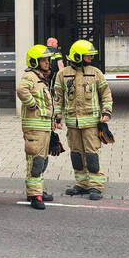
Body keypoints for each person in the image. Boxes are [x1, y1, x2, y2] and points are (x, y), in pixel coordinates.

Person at [53, 39, 113, 201]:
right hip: (72, 124)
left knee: (91, 155)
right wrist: (57, 116)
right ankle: (82, 184)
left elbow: (106, 94)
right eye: (88, 56)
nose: (91, 58)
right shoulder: (62, 74)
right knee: (77, 155)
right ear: (78, 56)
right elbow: (58, 98)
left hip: (91, 123)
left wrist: (107, 111)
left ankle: (96, 186)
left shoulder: (95, 72)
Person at [17, 45, 56, 210]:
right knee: (36, 162)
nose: (47, 62)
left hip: (43, 128)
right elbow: (21, 90)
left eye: (48, 59)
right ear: (34, 61)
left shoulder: (41, 77)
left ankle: (37, 190)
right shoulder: (30, 76)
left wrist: (53, 122)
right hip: (34, 129)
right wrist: (32, 105)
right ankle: (35, 196)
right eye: (43, 60)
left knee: (42, 161)